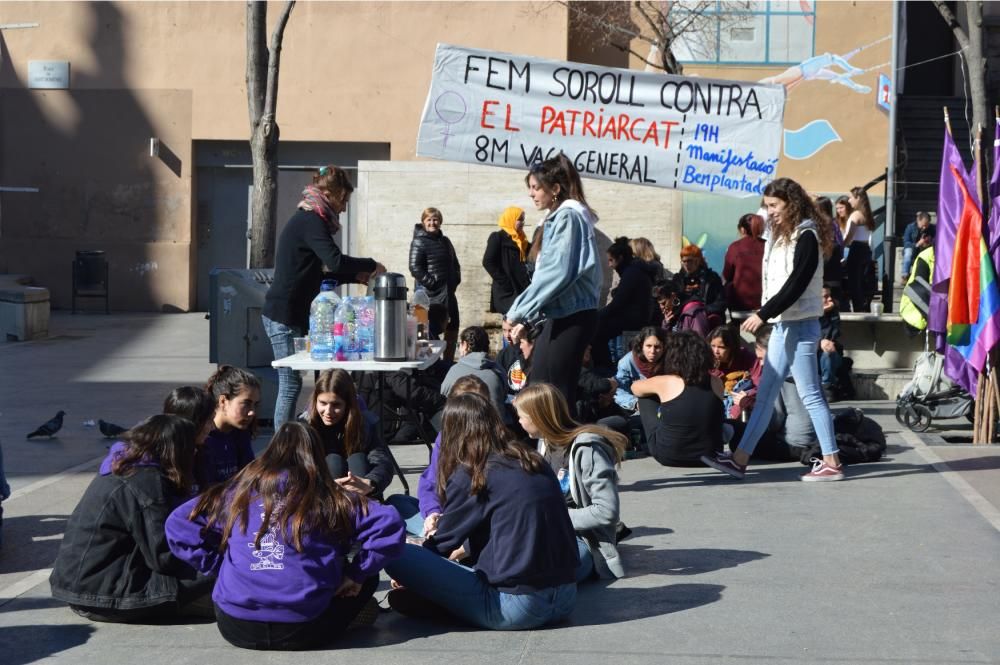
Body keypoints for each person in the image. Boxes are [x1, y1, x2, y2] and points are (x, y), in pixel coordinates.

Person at [166, 422, 405, 650]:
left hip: (236, 627)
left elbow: (178, 524)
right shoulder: (330, 497)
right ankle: (345, 608)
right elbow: (389, 522)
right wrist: (357, 574)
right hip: (305, 629)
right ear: (316, 456)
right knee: (368, 576)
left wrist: (218, 566)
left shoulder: (236, 493)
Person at [383, 393, 578, 630]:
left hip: (518, 605)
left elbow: (443, 544)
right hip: (567, 596)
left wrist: (416, 572)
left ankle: (438, 601)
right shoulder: (532, 459)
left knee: (394, 552)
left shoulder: (471, 472)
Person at [701, 177, 845, 482]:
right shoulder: (781, 234)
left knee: (810, 394)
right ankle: (739, 459)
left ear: (790, 204)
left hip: (801, 325)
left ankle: (832, 461)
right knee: (766, 393)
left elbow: (797, 283)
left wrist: (764, 313)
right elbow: (764, 220)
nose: (769, 211)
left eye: (775, 205)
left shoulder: (806, 235)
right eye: (767, 206)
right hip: (783, 326)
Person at [50, 415, 212, 622]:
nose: (196, 453)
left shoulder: (124, 463)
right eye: (192, 448)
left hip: (81, 583)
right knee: (223, 577)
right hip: (105, 592)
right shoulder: (145, 481)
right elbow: (163, 557)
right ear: (175, 451)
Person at [262, 165, 385, 426]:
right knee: (290, 383)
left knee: (297, 382)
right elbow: (336, 261)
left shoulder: (312, 220)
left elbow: (320, 275)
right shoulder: (310, 220)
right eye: (344, 200)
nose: (344, 207)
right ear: (330, 193)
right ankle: (281, 451)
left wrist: (357, 276)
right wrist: (371, 265)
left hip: (293, 313)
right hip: (282, 314)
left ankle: (301, 440)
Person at [505, 154, 601, 411]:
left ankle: (560, 447)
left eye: (536, 187)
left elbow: (557, 273)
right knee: (547, 391)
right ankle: (555, 447)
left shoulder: (568, 217)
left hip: (573, 316)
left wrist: (518, 311)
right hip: (564, 315)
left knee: (549, 392)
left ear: (555, 189)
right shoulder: (559, 218)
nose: (531, 194)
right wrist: (527, 319)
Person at [513, 383, 627, 582]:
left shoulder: (587, 449)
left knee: (536, 573)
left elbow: (607, 511)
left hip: (585, 541)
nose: (519, 421)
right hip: (552, 531)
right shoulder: (544, 442)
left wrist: (554, 516)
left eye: (522, 416)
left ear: (538, 417)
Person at [386, 375, 493, 538]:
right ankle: (432, 534)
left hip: (471, 527)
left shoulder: (494, 444)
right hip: (444, 517)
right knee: (397, 503)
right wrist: (432, 514)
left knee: (401, 554)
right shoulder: (445, 438)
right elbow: (430, 482)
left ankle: (436, 539)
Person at [630, 331, 726, 466]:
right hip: (711, 455)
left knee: (645, 396)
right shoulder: (716, 381)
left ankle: (653, 439)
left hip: (669, 455)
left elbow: (635, 388)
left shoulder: (667, 381)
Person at [305, 369, 395, 500]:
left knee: (357, 458)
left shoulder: (364, 424)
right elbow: (293, 468)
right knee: (333, 461)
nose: (328, 411)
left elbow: (383, 462)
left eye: (336, 405)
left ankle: (363, 512)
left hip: (361, 490)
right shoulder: (305, 426)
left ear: (348, 404)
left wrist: (370, 483)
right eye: (323, 403)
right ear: (315, 401)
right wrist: (323, 485)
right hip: (320, 495)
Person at [591, 236, 658, 371]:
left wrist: (597, 315)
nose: (609, 265)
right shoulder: (633, 271)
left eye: (611, 260)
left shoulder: (631, 273)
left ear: (620, 258)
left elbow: (618, 303)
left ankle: (604, 369)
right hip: (635, 316)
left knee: (597, 332)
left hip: (634, 318)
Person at [409, 207, 462, 361]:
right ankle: (428, 361)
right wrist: (432, 283)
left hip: (448, 293)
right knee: (426, 329)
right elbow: (414, 267)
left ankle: (448, 361)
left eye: (435, 219)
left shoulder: (445, 241)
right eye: (429, 220)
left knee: (453, 325)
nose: (433, 223)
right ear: (423, 222)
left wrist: (455, 279)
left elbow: (455, 263)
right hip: (428, 295)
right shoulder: (419, 241)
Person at [198, 366, 260, 490]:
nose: (252, 412)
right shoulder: (202, 437)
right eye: (246, 404)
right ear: (223, 401)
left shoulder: (240, 432)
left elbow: (249, 475)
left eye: (255, 405)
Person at [440, 326, 507, 418]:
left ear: (465, 345)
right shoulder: (499, 370)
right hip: (493, 428)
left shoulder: (454, 371)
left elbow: (443, 398)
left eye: (459, 344)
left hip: (459, 427)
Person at [483, 206, 531, 316]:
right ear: (511, 219)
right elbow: (488, 262)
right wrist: (506, 284)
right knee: (511, 323)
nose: (522, 223)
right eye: (520, 219)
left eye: (523, 220)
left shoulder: (522, 240)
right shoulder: (497, 237)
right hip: (508, 292)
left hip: (521, 289)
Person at [613, 326, 667, 413]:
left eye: (657, 347)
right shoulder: (627, 362)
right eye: (648, 346)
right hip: (640, 407)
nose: (652, 351)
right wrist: (635, 403)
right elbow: (619, 390)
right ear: (641, 346)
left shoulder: (670, 361)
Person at [673, 244, 726, 328]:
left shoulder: (712, 278)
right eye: (684, 261)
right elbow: (674, 304)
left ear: (698, 261)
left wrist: (701, 311)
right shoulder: (678, 279)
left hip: (707, 320)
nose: (686, 264)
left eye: (689, 261)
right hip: (682, 320)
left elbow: (721, 303)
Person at [722, 213, 766, 313]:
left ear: (742, 229)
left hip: (740, 305)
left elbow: (727, 275)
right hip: (765, 304)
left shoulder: (735, 247)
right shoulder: (767, 245)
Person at [843, 186, 876, 312]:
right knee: (862, 281)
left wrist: (840, 247)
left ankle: (858, 309)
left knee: (854, 282)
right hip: (865, 249)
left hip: (856, 249)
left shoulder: (856, 215)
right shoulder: (867, 214)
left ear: (858, 198)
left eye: (851, 197)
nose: (849, 200)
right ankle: (863, 307)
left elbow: (849, 237)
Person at [814, 196, 845, 304]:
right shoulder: (834, 223)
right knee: (834, 295)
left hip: (822, 261)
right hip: (833, 262)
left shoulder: (817, 224)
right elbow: (840, 242)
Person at [818, 286, 845, 401]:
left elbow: (834, 334)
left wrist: (825, 315)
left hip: (830, 355)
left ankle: (827, 387)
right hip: (811, 356)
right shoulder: (808, 316)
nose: (830, 299)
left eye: (830, 296)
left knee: (828, 353)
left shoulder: (833, 312)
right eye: (825, 297)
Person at [901, 211, 935, 281]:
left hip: (926, 248)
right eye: (923, 225)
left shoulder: (932, 228)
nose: (924, 227)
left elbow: (937, 240)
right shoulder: (910, 227)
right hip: (913, 248)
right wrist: (917, 244)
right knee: (908, 253)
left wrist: (930, 242)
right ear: (918, 221)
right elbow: (906, 243)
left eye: (926, 225)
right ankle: (905, 276)